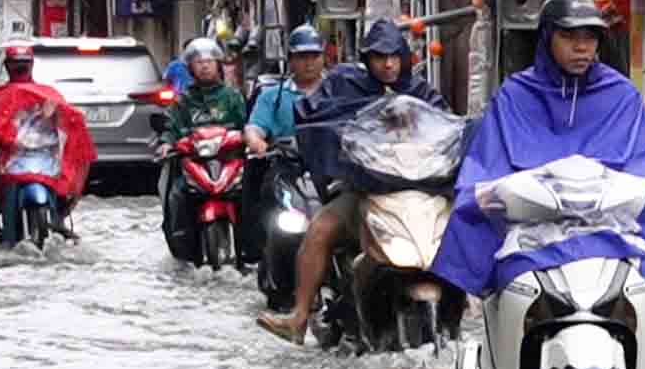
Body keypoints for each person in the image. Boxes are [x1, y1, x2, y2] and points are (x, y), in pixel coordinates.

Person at [430, 0, 645, 301]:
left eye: (590, 37)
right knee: (508, 287)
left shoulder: (622, 96)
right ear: (547, 37)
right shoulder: (514, 95)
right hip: (528, 234)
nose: (581, 48)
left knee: (639, 292)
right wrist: (490, 197)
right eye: (569, 36)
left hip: (611, 235)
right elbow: (485, 171)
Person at [257, 18, 446, 343]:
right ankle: (299, 316)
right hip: (365, 191)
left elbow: (447, 126)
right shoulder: (344, 85)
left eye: (393, 56)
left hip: (415, 192)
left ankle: (472, 302)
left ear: (404, 56)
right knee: (319, 231)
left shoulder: (420, 92)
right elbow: (314, 116)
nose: (387, 64)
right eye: (378, 57)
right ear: (367, 59)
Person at [0, 41, 96, 241]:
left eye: (24, 64)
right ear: (8, 66)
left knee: (68, 186)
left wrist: (56, 118)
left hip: (45, 161)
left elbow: (71, 120)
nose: (20, 68)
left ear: (31, 65)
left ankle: (59, 217)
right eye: (16, 64)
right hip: (14, 161)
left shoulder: (48, 95)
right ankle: (4, 226)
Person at [156, 37, 248, 252]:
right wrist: (166, 144)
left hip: (229, 163)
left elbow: (248, 124)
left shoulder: (232, 97)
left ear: (218, 65)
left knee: (251, 194)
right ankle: (182, 245)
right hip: (194, 164)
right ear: (190, 68)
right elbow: (171, 126)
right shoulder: (183, 100)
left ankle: (253, 245)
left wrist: (251, 140)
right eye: (198, 62)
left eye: (209, 61)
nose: (204, 66)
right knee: (177, 195)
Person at [244, 26, 328, 156]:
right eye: (302, 57)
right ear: (291, 59)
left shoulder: (337, 90)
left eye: (315, 56)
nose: (309, 63)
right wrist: (255, 140)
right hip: (286, 166)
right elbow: (255, 127)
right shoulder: (271, 96)